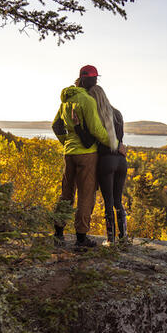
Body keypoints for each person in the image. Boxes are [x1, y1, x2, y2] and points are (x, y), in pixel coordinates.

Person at [51, 65, 111, 248]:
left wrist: (67, 142)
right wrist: (113, 143)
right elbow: (96, 130)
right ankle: (81, 238)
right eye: (95, 79)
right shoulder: (87, 100)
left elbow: (56, 125)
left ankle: (58, 234)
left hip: (69, 154)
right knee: (86, 195)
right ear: (91, 80)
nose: (95, 81)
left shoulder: (66, 100)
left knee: (66, 193)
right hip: (87, 154)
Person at [87, 85, 128, 245]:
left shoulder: (95, 114)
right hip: (121, 161)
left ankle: (111, 240)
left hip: (106, 161)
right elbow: (121, 137)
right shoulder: (117, 113)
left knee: (108, 203)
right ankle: (124, 239)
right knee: (118, 201)